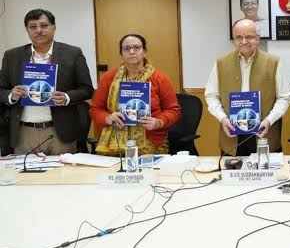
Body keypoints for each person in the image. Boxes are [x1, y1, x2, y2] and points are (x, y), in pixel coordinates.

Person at [0, 9, 94, 155]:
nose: (38, 30)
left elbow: (87, 89)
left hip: (60, 132)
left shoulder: (72, 53)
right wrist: (11, 95)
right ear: (27, 30)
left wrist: (67, 97)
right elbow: (2, 89)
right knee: (26, 170)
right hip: (24, 132)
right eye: (33, 27)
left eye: (44, 25)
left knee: (63, 170)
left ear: (53, 27)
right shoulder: (12, 56)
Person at [206, 19, 290, 155]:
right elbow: (211, 95)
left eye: (249, 37)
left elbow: (284, 97)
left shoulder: (273, 62)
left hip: (264, 133)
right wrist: (223, 118)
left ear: (257, 38)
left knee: (265, 168)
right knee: (232, 169)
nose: (244, 41)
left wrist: (269, 120)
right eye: (239, 37)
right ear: (234, 39)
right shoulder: (221, 63)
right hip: (232, 134)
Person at [90, 34, 180, 155]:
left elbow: (173, 110)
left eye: (136, 47)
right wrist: (108, 118)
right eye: (126, 48)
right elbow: (95, 109)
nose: (132, 51)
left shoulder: (159, 78)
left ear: (144, 52)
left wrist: (158, 122)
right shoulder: (109, 78)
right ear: (121, 54)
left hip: (151, 140)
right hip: (114, 142)